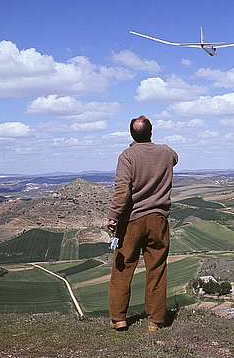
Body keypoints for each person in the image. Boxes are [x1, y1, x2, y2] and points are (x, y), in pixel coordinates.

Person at [105, 115, 178, 333]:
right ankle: (155, 321)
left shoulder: (127, 156)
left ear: (131, 134)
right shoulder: (166, 152)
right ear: (151, 132)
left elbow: (122, 190)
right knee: (156, 269)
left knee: (122, 268)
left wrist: (113, 215)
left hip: (132, 221)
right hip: (158, 219)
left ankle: (119, 319)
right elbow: (175, 158)